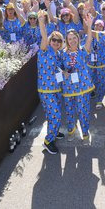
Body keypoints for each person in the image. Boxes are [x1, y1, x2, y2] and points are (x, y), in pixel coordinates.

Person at [59, 17, 95, 144]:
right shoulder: (62, 53)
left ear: (78, 39)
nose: (72, 40)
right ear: (67, 41)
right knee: (69, 110)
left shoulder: (82, 51)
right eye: (70, 39)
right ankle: (71, 130)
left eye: (74, 38)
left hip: (82, 86)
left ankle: (85, 133)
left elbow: (89, 39)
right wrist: (63, 72)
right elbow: (57, 67)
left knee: (83, 110)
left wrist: (89, 26)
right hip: (68, 87)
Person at [37, 10, 65, 155]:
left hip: (57, 89)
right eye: (53, 40)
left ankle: (54, 132)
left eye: (58, 41)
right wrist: (42, 22)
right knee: (56, 114)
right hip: (46, 90)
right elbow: (43, 36)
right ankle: (48, 140)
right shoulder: (44, 50)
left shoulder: (59, 54)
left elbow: (60, 70)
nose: (55, 42)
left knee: (53, 114)